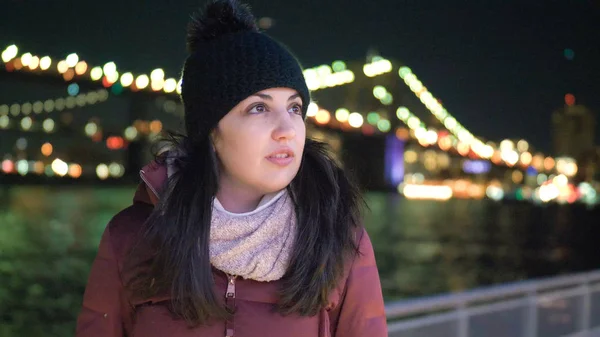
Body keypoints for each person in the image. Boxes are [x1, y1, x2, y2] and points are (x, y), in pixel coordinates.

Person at [75, 1, 387, 336]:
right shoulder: (132, 238)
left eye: (294, 107)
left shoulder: (340, 241)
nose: (287, 129)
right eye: (258, 108)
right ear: (211, 130)